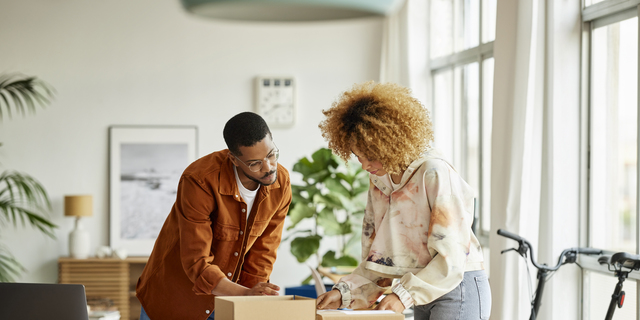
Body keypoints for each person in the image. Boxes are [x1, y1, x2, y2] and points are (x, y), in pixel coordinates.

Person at [315, 82, 491, 319]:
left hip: (457, 286)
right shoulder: (379, 182)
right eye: (358, 156)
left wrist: (402, 295)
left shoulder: (434, 172)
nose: (365, 165)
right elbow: (377, 258)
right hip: (419, 290)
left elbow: (453, 256)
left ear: (390, 145)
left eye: (372, 156)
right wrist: (345, 292)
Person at [136, 112, 292, 320]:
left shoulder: (280, 183)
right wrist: (245, 293)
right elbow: (196, 261)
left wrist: (253, 299)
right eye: (255, 163)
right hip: (176, 299)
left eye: (272, 155)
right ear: (234, 159)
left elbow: (263, 252)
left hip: (230, 300)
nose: (268, 168)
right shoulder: (199, 180)